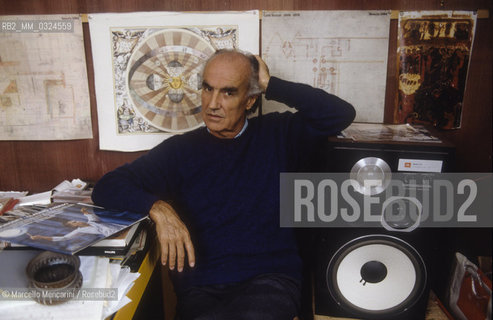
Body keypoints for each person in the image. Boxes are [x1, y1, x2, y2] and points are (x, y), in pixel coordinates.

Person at [91, 49, 355, 319]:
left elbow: (339, 113)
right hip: (201, 288)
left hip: (270, 280)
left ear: (250, 100)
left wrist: (269, 84)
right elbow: (107, 187)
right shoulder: (180, 151)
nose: (212, 103)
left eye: (228, 92)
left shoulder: (279, 134)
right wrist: (157, 209)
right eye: (208, 88)